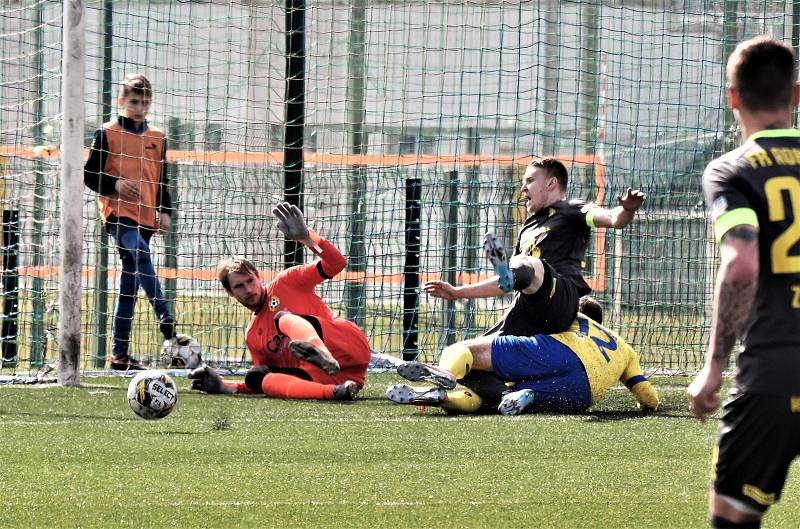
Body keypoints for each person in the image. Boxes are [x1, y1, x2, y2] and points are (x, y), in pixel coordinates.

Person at [687, 35, 800, 529]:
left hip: (773, 376)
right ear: (796, 95)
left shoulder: (731, 170)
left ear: (732, 96)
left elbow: (741, 265)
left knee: (733, 520)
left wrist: (714, 365)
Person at [425, 157, 645, 338]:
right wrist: (457, 293)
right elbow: (509, 281)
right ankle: (508, 393)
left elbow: (613, 219)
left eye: (529, 180)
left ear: (551, 184)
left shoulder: (572, 209)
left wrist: (627, 210)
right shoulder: (527, 228)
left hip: (560, 299)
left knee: (524, 264)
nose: (523, 188)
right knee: (470, 358)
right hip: (529, 308)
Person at [188, 202, 371, 401]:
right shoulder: (253, 336)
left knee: (282, 317)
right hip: (337, 378)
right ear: (229, 292)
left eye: (250, 281)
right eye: (239, 286)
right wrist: (225, 386)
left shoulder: (287, 281)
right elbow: (263, 381)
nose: (249, 290)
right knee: (257, 377)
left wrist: (308, 237)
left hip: (347, 345)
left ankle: (319, 348)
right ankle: (336, 393)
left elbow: (337, 263)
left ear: (258, 276)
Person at [386, 297, 660, 415]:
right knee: (494, 402)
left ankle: (445, 377)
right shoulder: (624, 348)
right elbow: (647, 396)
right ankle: (446, 399)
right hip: (581, 396)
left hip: (561, 352)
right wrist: (648, 406)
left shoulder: (572, 317)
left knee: (465, 351)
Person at [83, 73, 177, 371]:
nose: (140, 107)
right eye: (134, 101)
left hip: (147, 214)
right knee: (138, 252)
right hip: (118, 213)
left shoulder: (158, 138)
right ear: (122, 102)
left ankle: (119, 357)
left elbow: (162, 179)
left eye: (145, 101)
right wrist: (116, 185)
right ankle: (164, 315)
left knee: (129, 283)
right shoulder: (107, 133)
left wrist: (165, 211)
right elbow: (89, 175)